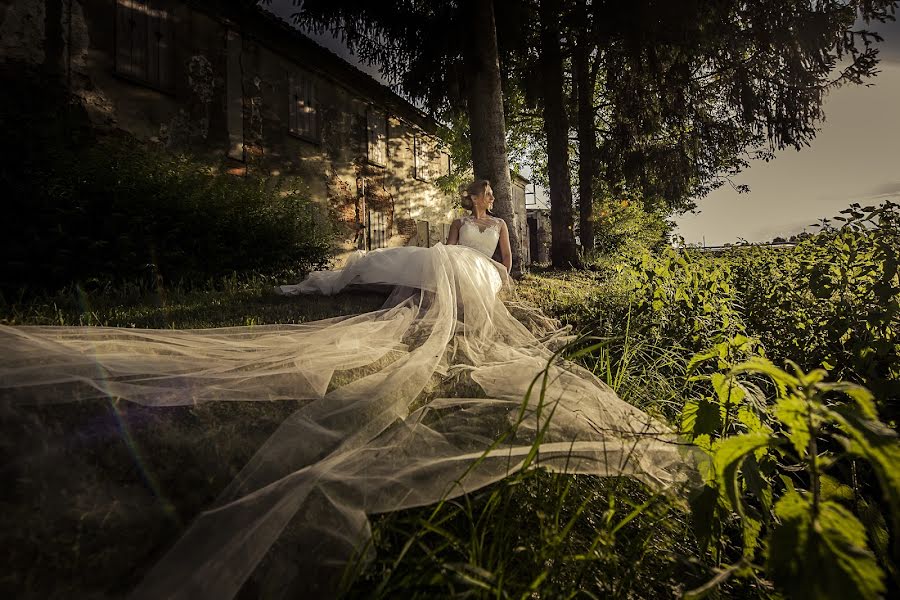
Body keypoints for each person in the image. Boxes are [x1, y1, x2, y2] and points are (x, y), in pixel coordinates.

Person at [0, 179, 695, 600]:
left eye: (486, 198)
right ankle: (412, 300)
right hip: (453, 261)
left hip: (482, 277)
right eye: (479, 197)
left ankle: (448, 305)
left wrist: (503, 283)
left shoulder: (503, 228)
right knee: (442, 259)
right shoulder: (459, 225)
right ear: (470, 200)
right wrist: (458, 252)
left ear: (493, 203)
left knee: (470, 272)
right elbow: (454, 244)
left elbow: (507, 266)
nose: (482, 204)